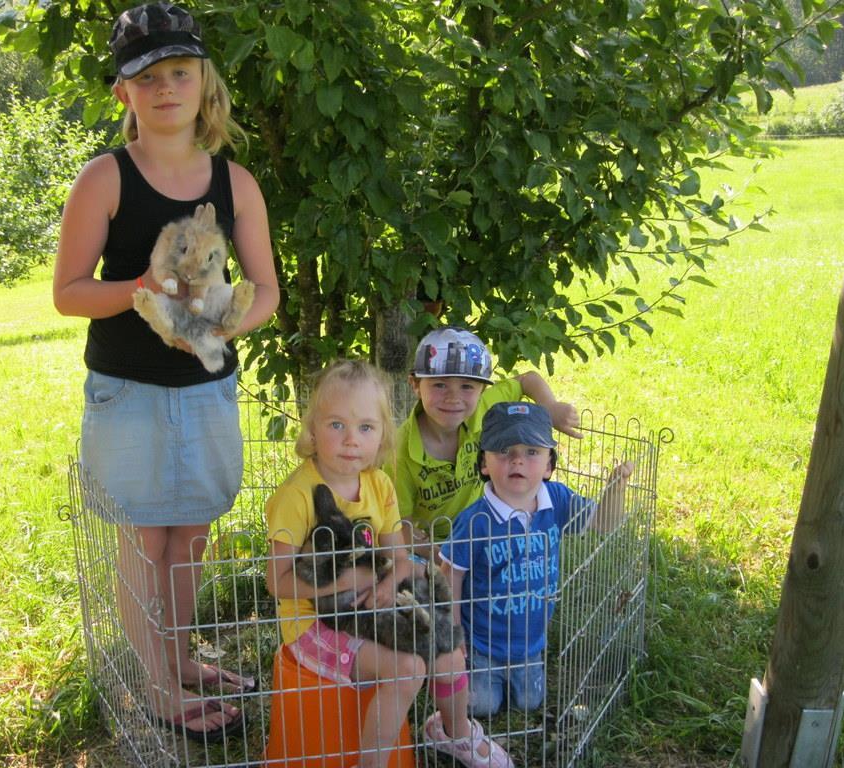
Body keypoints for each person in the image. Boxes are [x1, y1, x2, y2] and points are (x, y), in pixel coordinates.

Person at [52, 2, 279, 740]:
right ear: (124, 91)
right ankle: (157, 687)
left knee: (191, 538)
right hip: (129, 393)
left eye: (179, 72)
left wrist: (219, 325)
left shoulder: (236, 183)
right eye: (146, 77)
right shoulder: (105, 178)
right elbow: (68, 293)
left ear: (203, 81)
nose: (165, 88)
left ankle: (179, 658)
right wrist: (144, 293)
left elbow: (266, 290)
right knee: (145, 540)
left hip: (207, 389)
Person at [265, 360, 513, 768]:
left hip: (373, 607)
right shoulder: (297, 496)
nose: (351, 440)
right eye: (336, 425)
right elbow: (277, 582)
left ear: (383, 434)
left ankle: (455, 734)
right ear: (312, 430)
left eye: (366, 427)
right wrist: (350, 579)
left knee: (449, 653)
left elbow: (399, 558)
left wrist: (384, 584)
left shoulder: (378, 484)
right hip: (313, 622)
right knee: (407, 670)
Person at [440, 402, 635, 716]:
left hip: (530, 643)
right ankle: (468, 680)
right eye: (504, 450)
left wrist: (615, 489)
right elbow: (451, 574)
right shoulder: (475, 521)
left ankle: (517, 672)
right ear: (484, 463)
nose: (517, 460)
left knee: (530, 702)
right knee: (482, 705)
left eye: (532, 451)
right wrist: (453, 632)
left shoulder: (556, 499)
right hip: (482, 644)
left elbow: (604, 522)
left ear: (548, 465)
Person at [388, 326, 582, 552]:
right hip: (433, 545)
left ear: (481, 390)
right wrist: (444, 557)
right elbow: (399, 524)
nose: (453, 398)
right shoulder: (399, 451)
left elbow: (527, 380)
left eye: (467, 387)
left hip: (488, 528)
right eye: (440, 385)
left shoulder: (484, 408)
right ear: (415, 385)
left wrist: (549, 406)